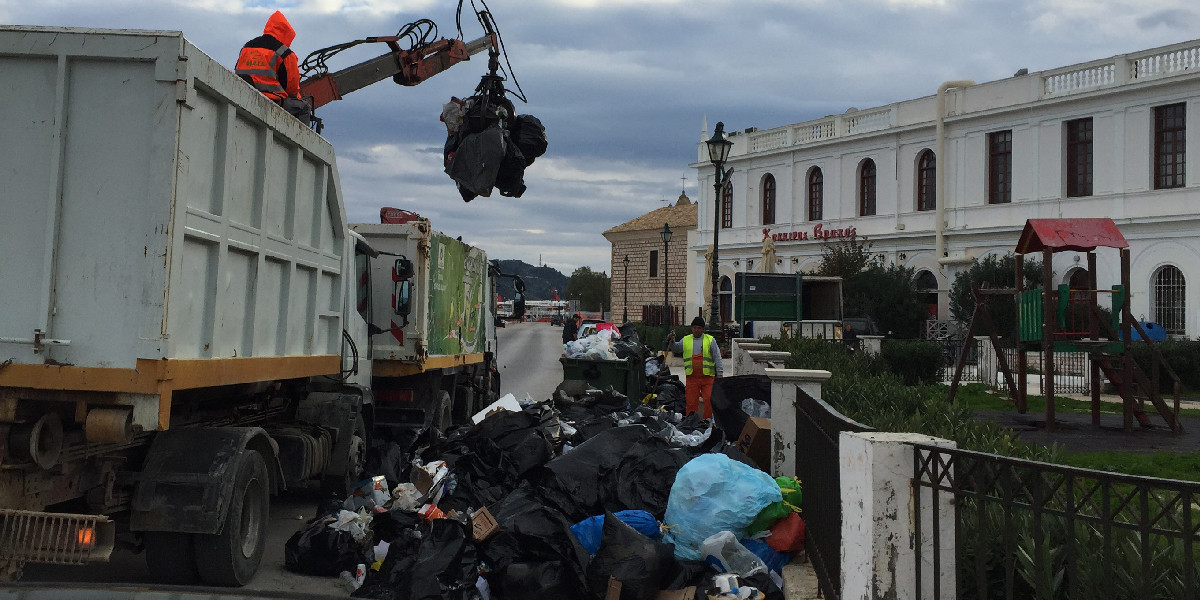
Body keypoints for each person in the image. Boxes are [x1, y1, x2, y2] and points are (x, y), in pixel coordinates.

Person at [235, 11, 309, 120]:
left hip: (244, 95)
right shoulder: (285, 53)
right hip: (273, 101)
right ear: (286, 33)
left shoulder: (248, 46)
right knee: (304, 108)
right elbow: (292, 88)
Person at [666, 316, 723, 418]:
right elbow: (676, 348)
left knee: (708, 400)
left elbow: (717, 357)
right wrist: (671, 340)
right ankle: (690, 421)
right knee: (691, 402)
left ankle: (707, 421)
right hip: (692, 378)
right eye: (694, 327)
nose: (696, 330)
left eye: (699, 328)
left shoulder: (710, 340)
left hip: (707, 378)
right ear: (692, 328)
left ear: (703, 329)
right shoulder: (686, 340)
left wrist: (720, 373)